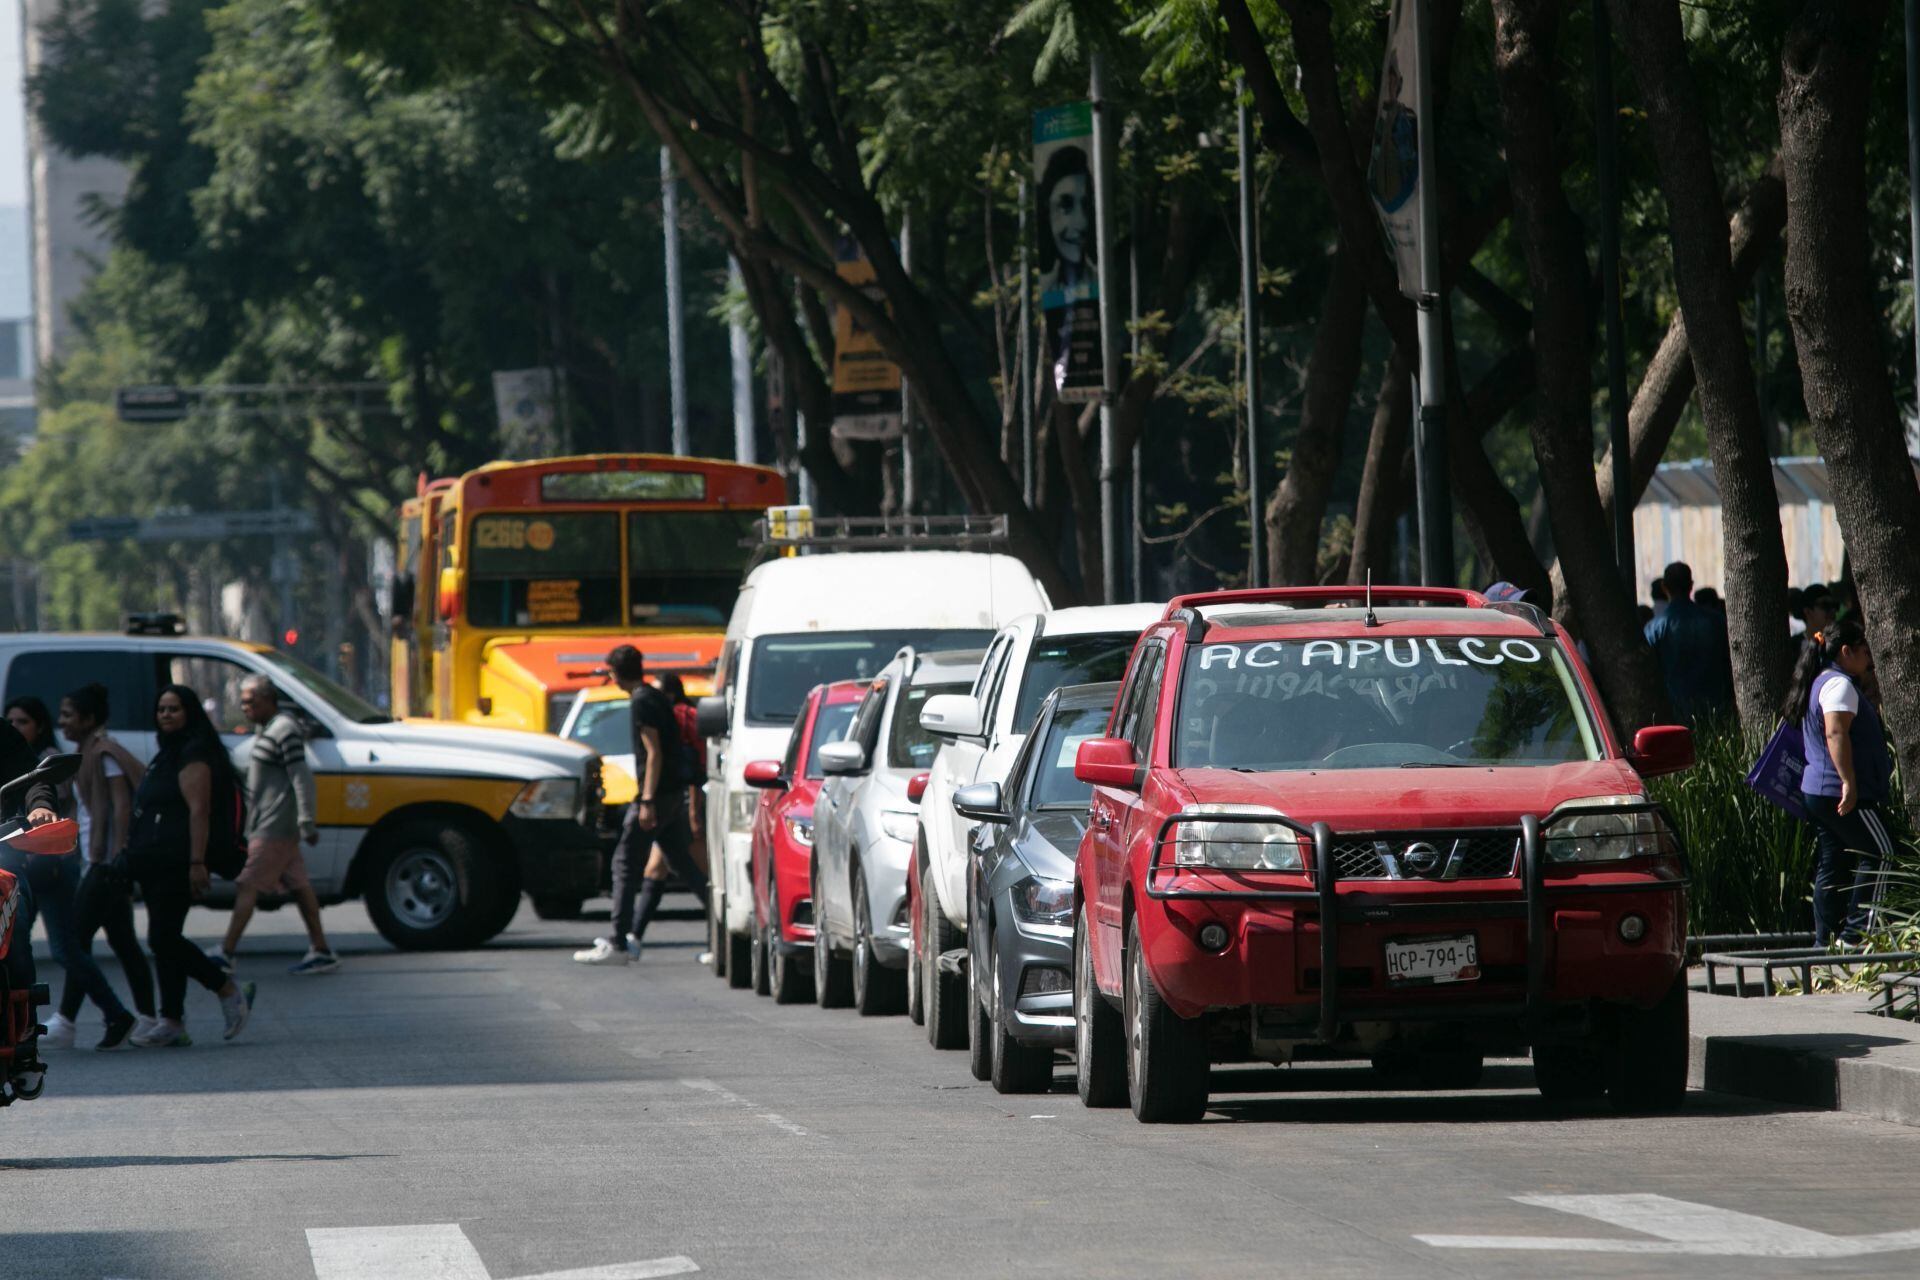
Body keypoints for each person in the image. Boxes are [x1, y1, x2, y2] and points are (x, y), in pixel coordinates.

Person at [126, 685, 256, 1046]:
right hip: (157, 861)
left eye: (174, 709)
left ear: (190, 713)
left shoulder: (194, 752)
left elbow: (199, 810)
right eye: (162, 709)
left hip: (179, 861)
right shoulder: (169, 751)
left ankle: (226, 987)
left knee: (163, 938)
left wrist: (196, 863)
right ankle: (171, 1020)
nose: (166, 715)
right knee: (165, 940)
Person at [574, 646, 710, 965]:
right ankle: (724, 928)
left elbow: (654, 752)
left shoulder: (641, 701)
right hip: (672, 795)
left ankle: (619, 942)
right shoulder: (655, 696)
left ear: (617, 673)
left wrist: (646, 799)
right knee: (686, 866)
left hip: (657, 797)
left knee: (624, 863)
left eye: (610, 672)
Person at [45, 684, 156, 1048]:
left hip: (105, 864)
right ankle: (147, 1017)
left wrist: (113, 857)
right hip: (99, 862)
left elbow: (120, 807)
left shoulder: (105, 753)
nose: (62, 722)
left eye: (69, 715)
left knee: (73, 942)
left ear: (88, 719)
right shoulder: (87, 753)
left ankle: (83, 1019)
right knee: (122, 942)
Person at [218, 676, 338, 976]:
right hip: (270, 823)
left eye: (251, 702)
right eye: (243, 702)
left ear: (268, 700)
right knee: (299, 886)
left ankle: (226, 952)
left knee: (248, 883)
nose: (245, 707)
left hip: (274, 825)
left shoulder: (284, 730)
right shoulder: (268, 730)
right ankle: (321, 948)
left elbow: (301, 777)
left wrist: (306, 820)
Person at [1785, 621, 1896, 945]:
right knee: (1881, 852)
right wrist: (1849, 782)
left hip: (1818, 791)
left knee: (1832, 861)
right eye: (1864, 649)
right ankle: (1856, 936)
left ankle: (1825, 941)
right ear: (1846, 651)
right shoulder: (1839, 686)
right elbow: (1836, 733)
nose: (1869, 657)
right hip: (1839, 790)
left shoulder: (1819, 681)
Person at [0, 717, 64, 1093]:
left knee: (16, 924)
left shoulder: (2, 735)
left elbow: (34, 778)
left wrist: (39, 807)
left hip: (1, 851)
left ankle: (24, 1040)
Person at [1642, 561, 1734, 723]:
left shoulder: (1654, 628)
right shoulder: (1717, 622)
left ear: (1664, 587)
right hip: (1716, 713)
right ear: (1691, 585)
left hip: (1675, 715)